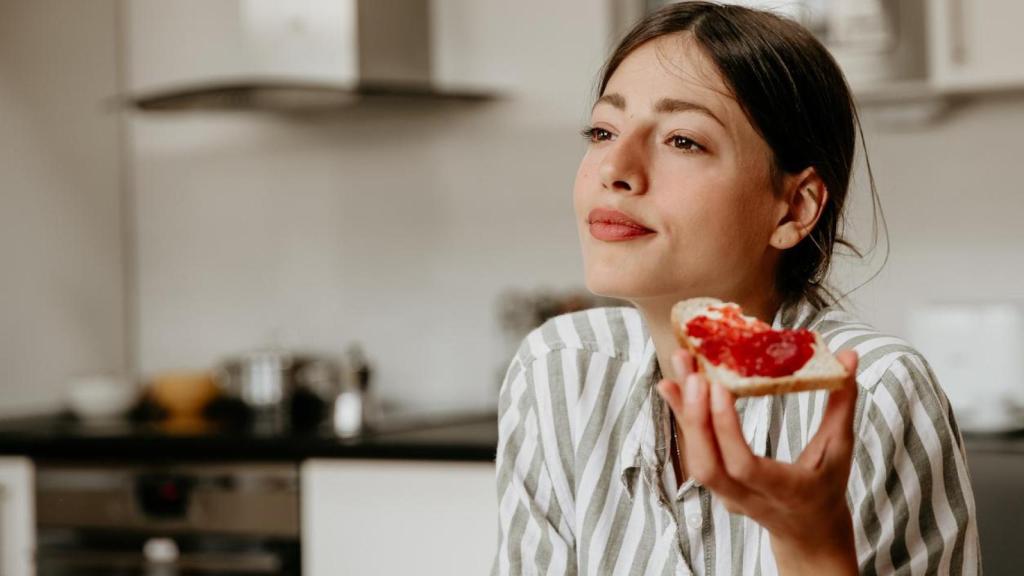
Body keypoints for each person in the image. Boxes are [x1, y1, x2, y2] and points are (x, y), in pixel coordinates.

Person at [491, 2, 980, 575]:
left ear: (794, 208)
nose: (615, 167)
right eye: (603, 130)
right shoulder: (557, 372)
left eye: (682, 140)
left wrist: (813, 546)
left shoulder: (874, 390)